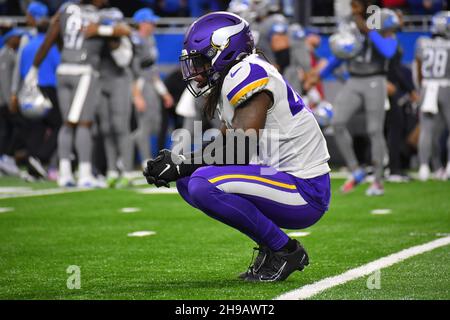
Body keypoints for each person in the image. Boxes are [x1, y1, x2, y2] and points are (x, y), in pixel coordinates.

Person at [143, 12, 331, 282]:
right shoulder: (236, 74)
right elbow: (224, 145)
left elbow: (239, 148)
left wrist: (182, 162)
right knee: (188, 181)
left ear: (224, 51)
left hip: (305, 189)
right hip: (278, 178)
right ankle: (273, 246)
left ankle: (285, 251)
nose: (196, 72)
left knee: (201, 183)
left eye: (201, 61)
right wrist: (180, 162)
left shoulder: (249, 72)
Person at [24, 0, 131, 187]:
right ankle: (84, 173)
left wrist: (34, 69)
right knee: (83, 124)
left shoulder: (65, 9)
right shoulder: (98, 15)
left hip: (63, 69)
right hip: (84, 71)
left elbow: (50, 38)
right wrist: (100, 30)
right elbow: (125, 31)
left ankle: (64, 173)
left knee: (66, 124)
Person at [306, 2, 399, 196]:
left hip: (376, 78)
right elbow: (341, 55)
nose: (352, 7)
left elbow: (389, 51)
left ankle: (378, 181)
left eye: (355, 4)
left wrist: (370, 31)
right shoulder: (349, 24)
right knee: (337, 122)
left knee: (374, 130)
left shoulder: (381, 19)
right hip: (354, 79)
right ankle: (356, 170)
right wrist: (321, 74)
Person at [18, 1, 62, 180]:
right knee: (60, 125)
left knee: (36, 129)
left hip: (30, 90)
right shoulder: (49, 46)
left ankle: (32, 166)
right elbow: (58, 67)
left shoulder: (27, 45)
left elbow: (22, 71)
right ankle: (40, 157)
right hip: (48, 88)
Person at [131, 8, 173, 170]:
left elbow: (152, 70)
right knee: (144, 125)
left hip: (150, 84)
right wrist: (136, 95)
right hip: (139, 85)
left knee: (154, 125)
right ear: (142, 23)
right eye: (150, 21)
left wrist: (163, 92)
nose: (154, 24)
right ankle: (144, 159)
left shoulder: (150, 40)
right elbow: (133, 71)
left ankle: (140, 155)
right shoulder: (135, 40)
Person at [97, 7, 134, 188]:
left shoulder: (122, 38)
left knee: (120, 127)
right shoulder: (96, 36)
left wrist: (112, 37)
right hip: (101, 81)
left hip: (119, 81)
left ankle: (126, 171)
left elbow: (123, 61)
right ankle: (111, 170)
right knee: (105, 128)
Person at [415, 11, 450, 181]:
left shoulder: (423, 43)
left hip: (427, 87)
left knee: (426, 131)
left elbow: (418, 69)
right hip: (445, 86)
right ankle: (448, 166)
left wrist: (419, 88)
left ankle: (423, 168)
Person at [0, 28, 26, 176]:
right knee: (14, 129)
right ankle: (6, 158)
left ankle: (5, 159)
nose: (19, 39)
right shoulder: (5, 54)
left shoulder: (11, 53)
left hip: (6, 101)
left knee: (7, 131)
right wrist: (10, 101)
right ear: (10, 39)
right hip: (4, 101)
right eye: (17, 37)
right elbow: (4, 81)